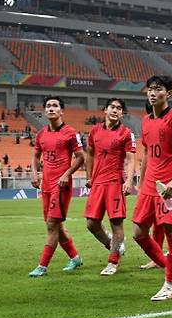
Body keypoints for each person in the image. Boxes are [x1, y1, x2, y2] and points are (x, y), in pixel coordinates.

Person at [132, 76, 172, 300]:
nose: (153, 93)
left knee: (171, 233)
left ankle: (168, 286)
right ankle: (171, 267)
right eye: (150, 89)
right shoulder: (146, 120)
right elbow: (147, 151)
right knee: (138, 233)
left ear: (168, 94)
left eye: (158, 89)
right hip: (149, 185)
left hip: (168, 186)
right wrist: (141, 177)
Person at [29, 96, 85, 277]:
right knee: (56, 225)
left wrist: (67, 174)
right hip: (46, 184)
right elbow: (36, 155)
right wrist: (35, 172)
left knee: (52, 224)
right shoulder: (41, 134)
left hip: (61, 185)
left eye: (55, 106)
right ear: (45, 111)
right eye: (48, 106)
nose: (51, 108)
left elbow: (81, 156)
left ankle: (42, 266)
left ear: (62, 111)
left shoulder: (70, 132)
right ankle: (75, 258)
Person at [84, 98, 136, 275]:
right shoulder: (94, 131)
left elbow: (130, 159)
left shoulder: (126, 133)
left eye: (119, 108)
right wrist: (89, 176)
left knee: (116, 223)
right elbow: (89, 154)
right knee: (91, 224)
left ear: (122, 113)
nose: (115, 110)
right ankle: (112, 244)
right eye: (112, 107)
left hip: (115, 182)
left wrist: (129, 181)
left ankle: (113, 262)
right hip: (98, 182)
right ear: (105, 110)